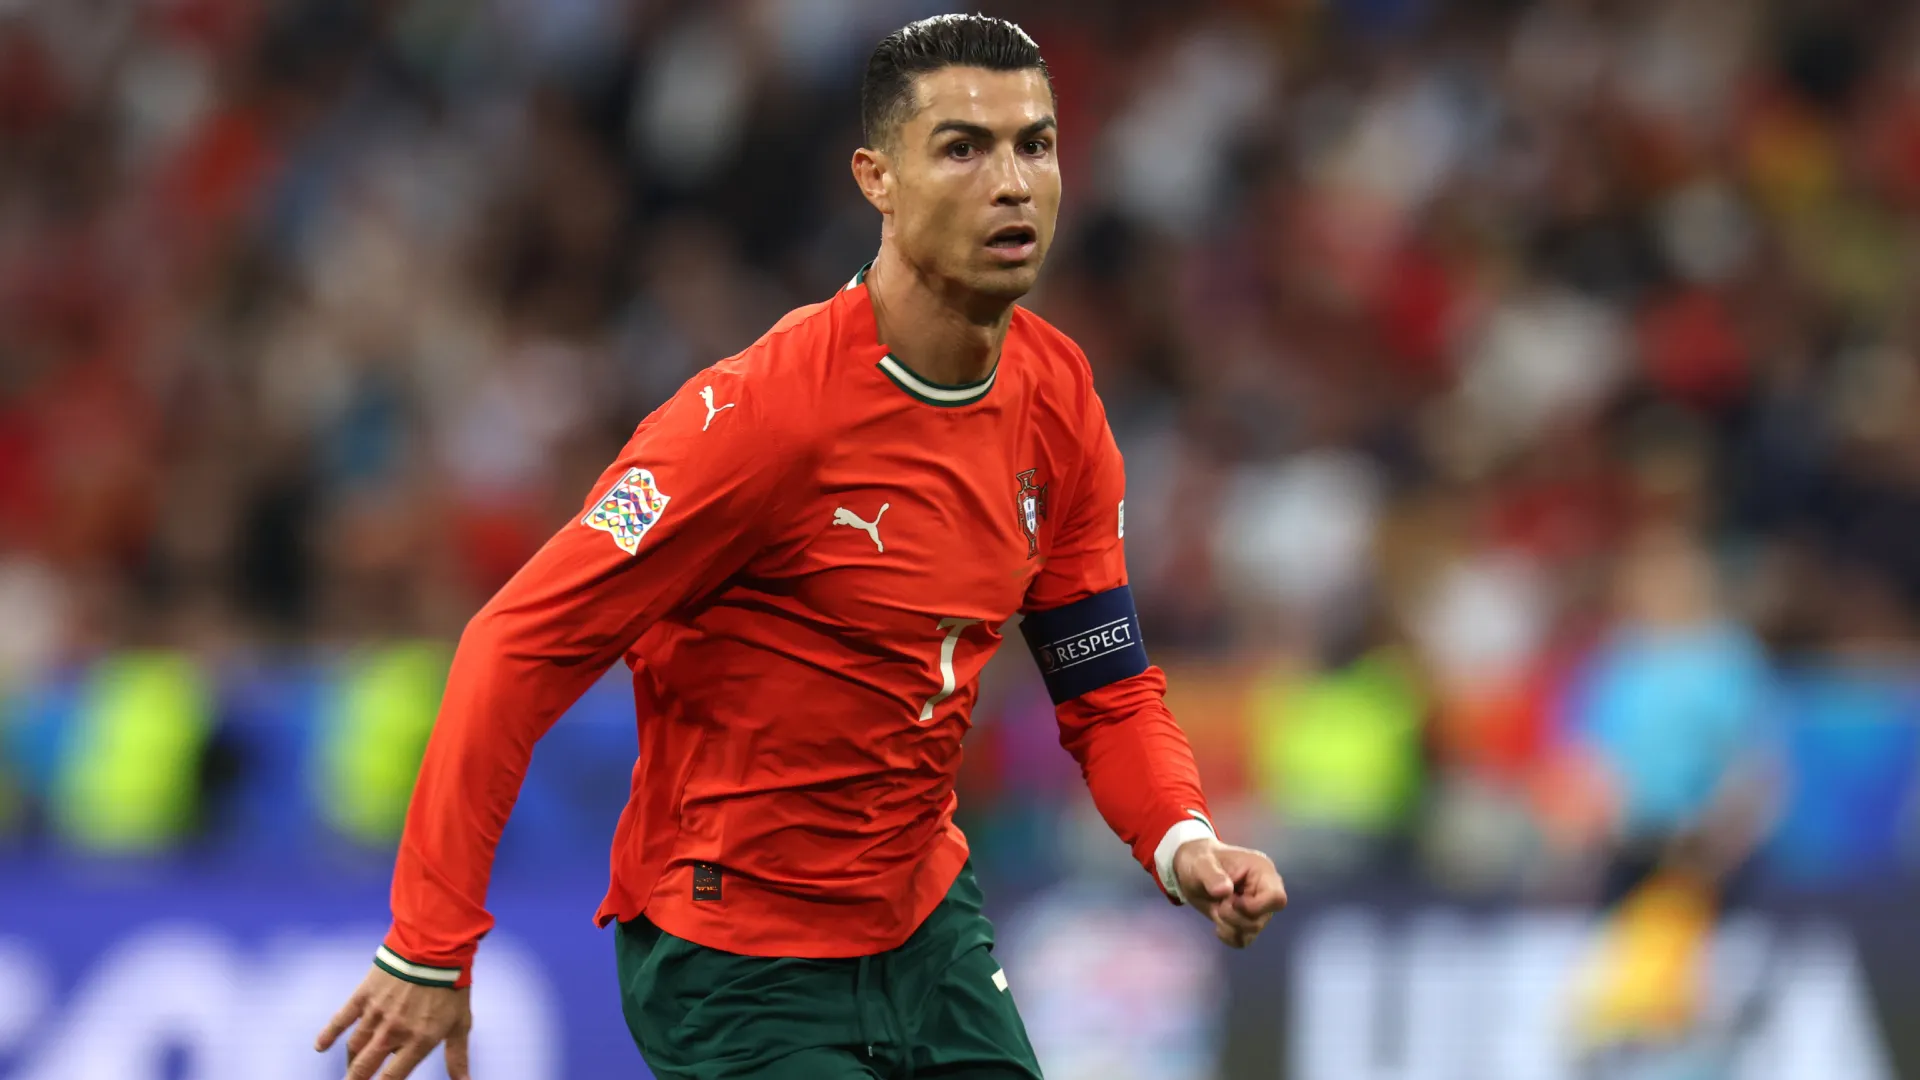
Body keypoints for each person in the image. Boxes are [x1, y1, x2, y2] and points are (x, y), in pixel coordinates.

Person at [314, 15, 1287, 1080]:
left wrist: (1185, 844)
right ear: (877, 177)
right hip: (737, 963)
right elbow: (515, 646)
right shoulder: (760, 420)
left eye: (1035, 145)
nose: (1012, 182)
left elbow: (1103, 686)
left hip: (928, 931)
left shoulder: (1059, 405)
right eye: (963, 147)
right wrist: (427, 941)